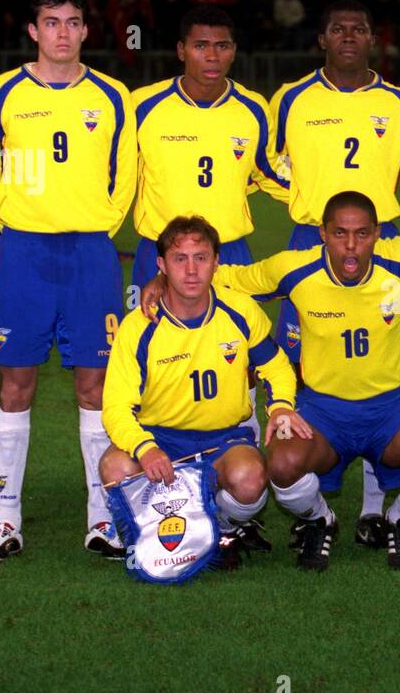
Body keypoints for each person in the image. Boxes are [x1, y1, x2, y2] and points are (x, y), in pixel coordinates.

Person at [200, 191, 400, 571]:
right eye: (340, 233)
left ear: (377, 234)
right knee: (282, 465)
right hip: (322, 410)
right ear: (322, 233)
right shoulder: (296, 268)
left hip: (389, 407)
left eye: (362, 233)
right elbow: (233, 278)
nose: (351, 246)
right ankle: (321, 520)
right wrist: (164, 279)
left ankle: (399, 519)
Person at [0, 0, 136, 562]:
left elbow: (127, 175)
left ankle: (102, 517)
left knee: (94, 387)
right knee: (16, 384)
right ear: (33, 31)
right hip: (24, 256)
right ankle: (6, 519)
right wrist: (14, 221)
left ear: (86, 31)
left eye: (72, 22)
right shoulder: (2, 93)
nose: (62, 32)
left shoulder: (114, 95)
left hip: (90, 257)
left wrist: (100, 226)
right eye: (52, 22)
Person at [259, 0, 400, 542]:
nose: (349, 36)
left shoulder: (398, 101)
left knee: (380, 363)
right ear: (322, 39)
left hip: (380, 241)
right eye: (338, 28)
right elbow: (263, 160)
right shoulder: (292, 98)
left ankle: (374, 504)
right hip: (314, 237)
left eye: (360, 28)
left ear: (374, 38)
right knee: (305, 357)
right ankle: (317, 485)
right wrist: (301, 197)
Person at [99, 216, 308, 569]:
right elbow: (115, 408)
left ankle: (219, 529)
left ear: (216, 262)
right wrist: (145, 449)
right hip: (162, 439)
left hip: (222, 441)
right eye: (180, 259)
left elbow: (275, 366)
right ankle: (160, 530)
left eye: (201, 257)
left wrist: (281, 406)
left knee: (251, 478)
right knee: (115, 466)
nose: (192, 270)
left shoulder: (240, 311)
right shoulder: (137, 328)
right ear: (161, 265)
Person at [130, 5, 281, 450]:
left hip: (230, 252)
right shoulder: (143, 106)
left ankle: (243, 452)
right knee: (154, 353)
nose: (211, 56)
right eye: (200, 45)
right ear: (181, 51)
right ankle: (154, 459)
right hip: (158, 255)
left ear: (234, 51)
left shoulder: (253, 109)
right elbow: (117, 174)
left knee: (243, 356)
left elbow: (268, 174)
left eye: (222, 46)